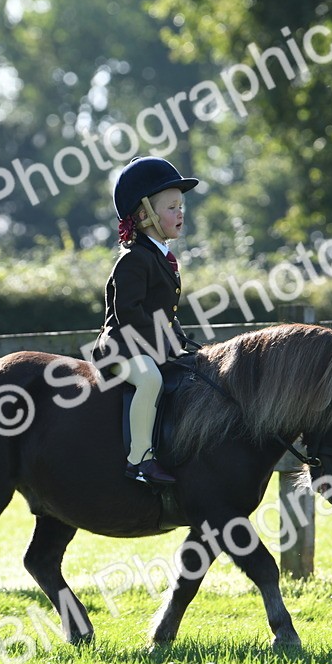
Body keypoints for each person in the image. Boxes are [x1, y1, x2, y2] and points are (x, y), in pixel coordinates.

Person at [92, 156, 199, 486]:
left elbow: (167, 314)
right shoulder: (133, 260)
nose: (180, 213)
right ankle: (140, 459)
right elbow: (130, 314)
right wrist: (164, 342)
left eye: (181, 206)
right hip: (122, 349)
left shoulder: (162, 257)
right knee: (150, 379)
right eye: (171, 207)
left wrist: (182, 344)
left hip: (149, 344)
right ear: (144, 215)